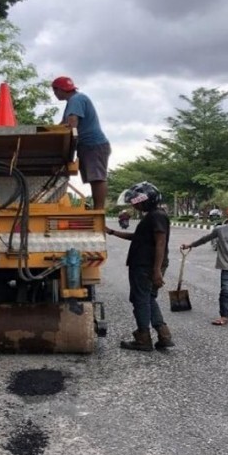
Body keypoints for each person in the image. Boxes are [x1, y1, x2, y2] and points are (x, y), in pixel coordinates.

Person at [106, 181, 174, 351]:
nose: (135, 205)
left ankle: (143, 338)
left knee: (140, 300)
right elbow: (136, 237)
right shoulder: (152, 215)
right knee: (148, 298)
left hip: (146, 266)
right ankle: (164, 335)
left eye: (138, 202)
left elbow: (161, 242)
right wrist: (111, 231)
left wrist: (157, 270)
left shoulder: (156, 216)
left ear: (148, 200)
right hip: (147, 265)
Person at [51, 76, 111, 210]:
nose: (55, 94)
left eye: (55, 91)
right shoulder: (74, 100)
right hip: (87, 146)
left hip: (93, 145)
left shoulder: (76, 100)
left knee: (97, 178)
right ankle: (97, 208)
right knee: (93, 178)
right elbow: (63, 124)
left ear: (59, 90)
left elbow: (72, 124)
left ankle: (99, 210)